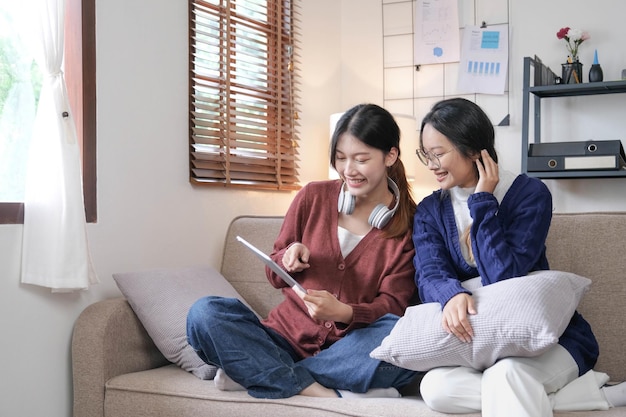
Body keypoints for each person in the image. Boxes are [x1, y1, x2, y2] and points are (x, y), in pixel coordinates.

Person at [187, 103, 418, 399]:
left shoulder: (408, 224)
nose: (349, 170)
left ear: (390, 155)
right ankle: (319, 391)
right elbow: (274, 274)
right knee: (204, 313)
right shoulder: (313, 196)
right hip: (281, 336)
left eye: (361, 159)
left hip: (347, 349)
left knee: (399, 333)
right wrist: (286, 258)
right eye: (341, 158)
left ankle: (257, 371)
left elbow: (394, 306)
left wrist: (345, 312)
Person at [412, 97, 626, 416]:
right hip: (480, 346)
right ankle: (597, 395)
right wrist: (450, 294)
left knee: (507, 375)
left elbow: (506, 280)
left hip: (549, 340)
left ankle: (549, 387)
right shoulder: (430, 210)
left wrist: (483, 201)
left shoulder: (530, 194)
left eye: (438, 154)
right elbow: (429, 272)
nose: (430, 165)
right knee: (435, 388)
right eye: (425, 155)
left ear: (473, 149)